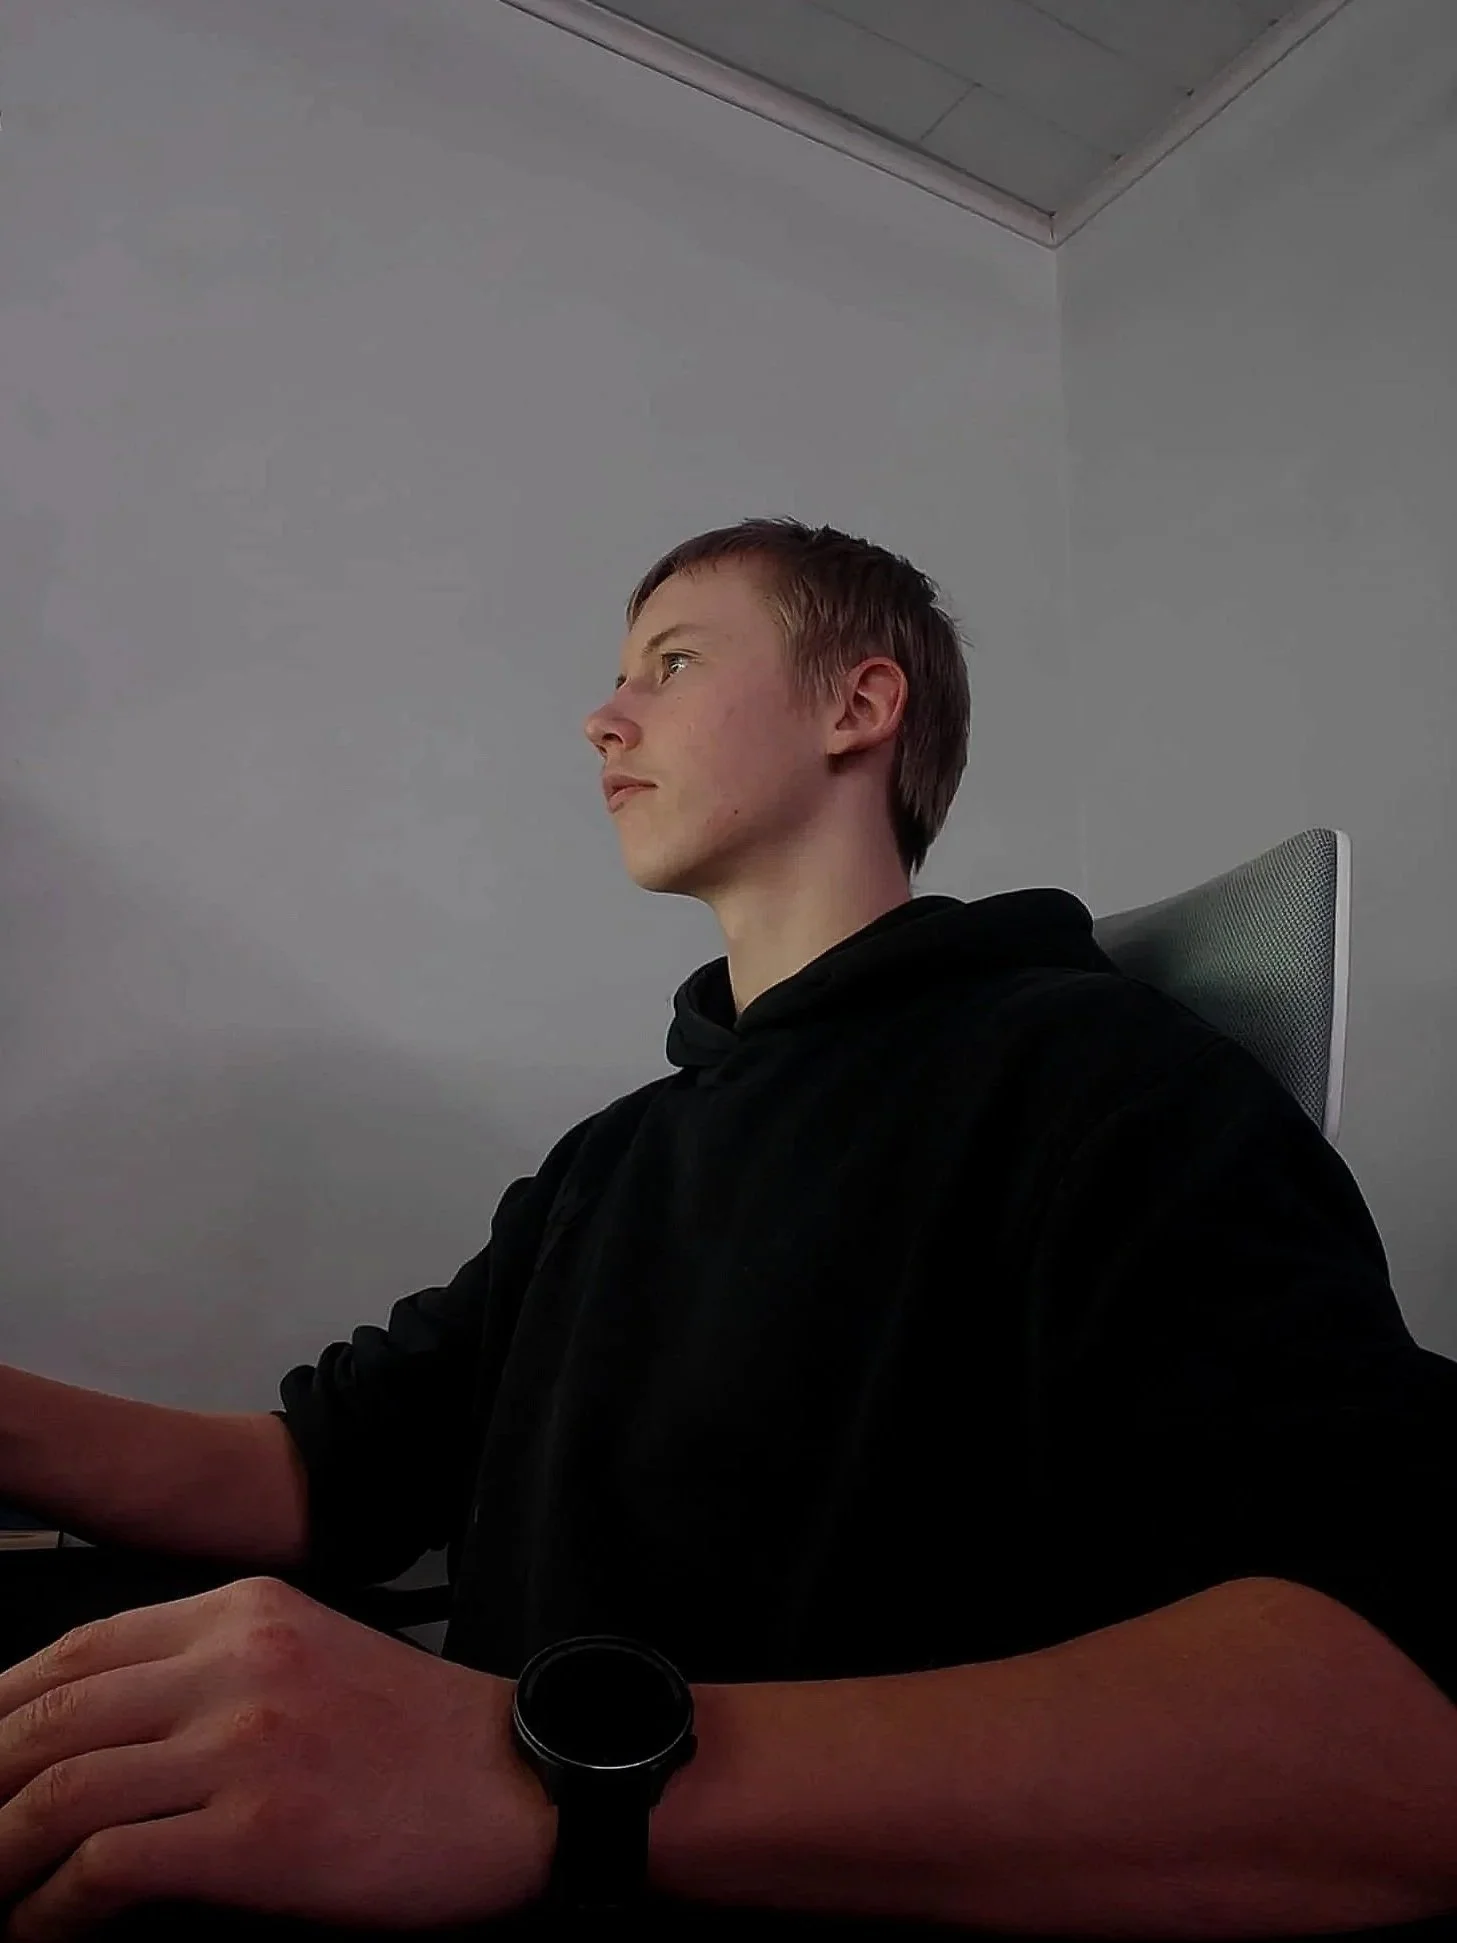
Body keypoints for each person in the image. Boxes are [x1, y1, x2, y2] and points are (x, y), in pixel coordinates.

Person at [5, 517, 1457, 1942]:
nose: (600, 716)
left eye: (672, 660)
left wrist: (550, 1777)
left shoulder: (1092, 1072)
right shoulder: (613, 1157)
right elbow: (316, 1473)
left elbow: (1398, 1743)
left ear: (860, 703)